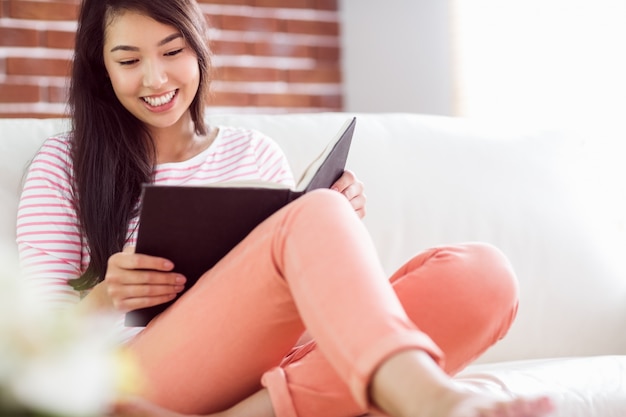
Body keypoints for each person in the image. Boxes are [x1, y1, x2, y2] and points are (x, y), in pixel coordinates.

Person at [16, 0, 554, 416]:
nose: (155, 79)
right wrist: (106, 298)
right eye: (129, 60)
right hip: (137, 376)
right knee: (316, 211)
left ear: (199, 49)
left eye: (172, 51)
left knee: (483, 277)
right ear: (101, 69)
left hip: (265, 371)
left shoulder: (252, 153)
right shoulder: (64, 164)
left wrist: (331, 232)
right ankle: (432, 399)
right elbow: (30, 348)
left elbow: (292, 328)